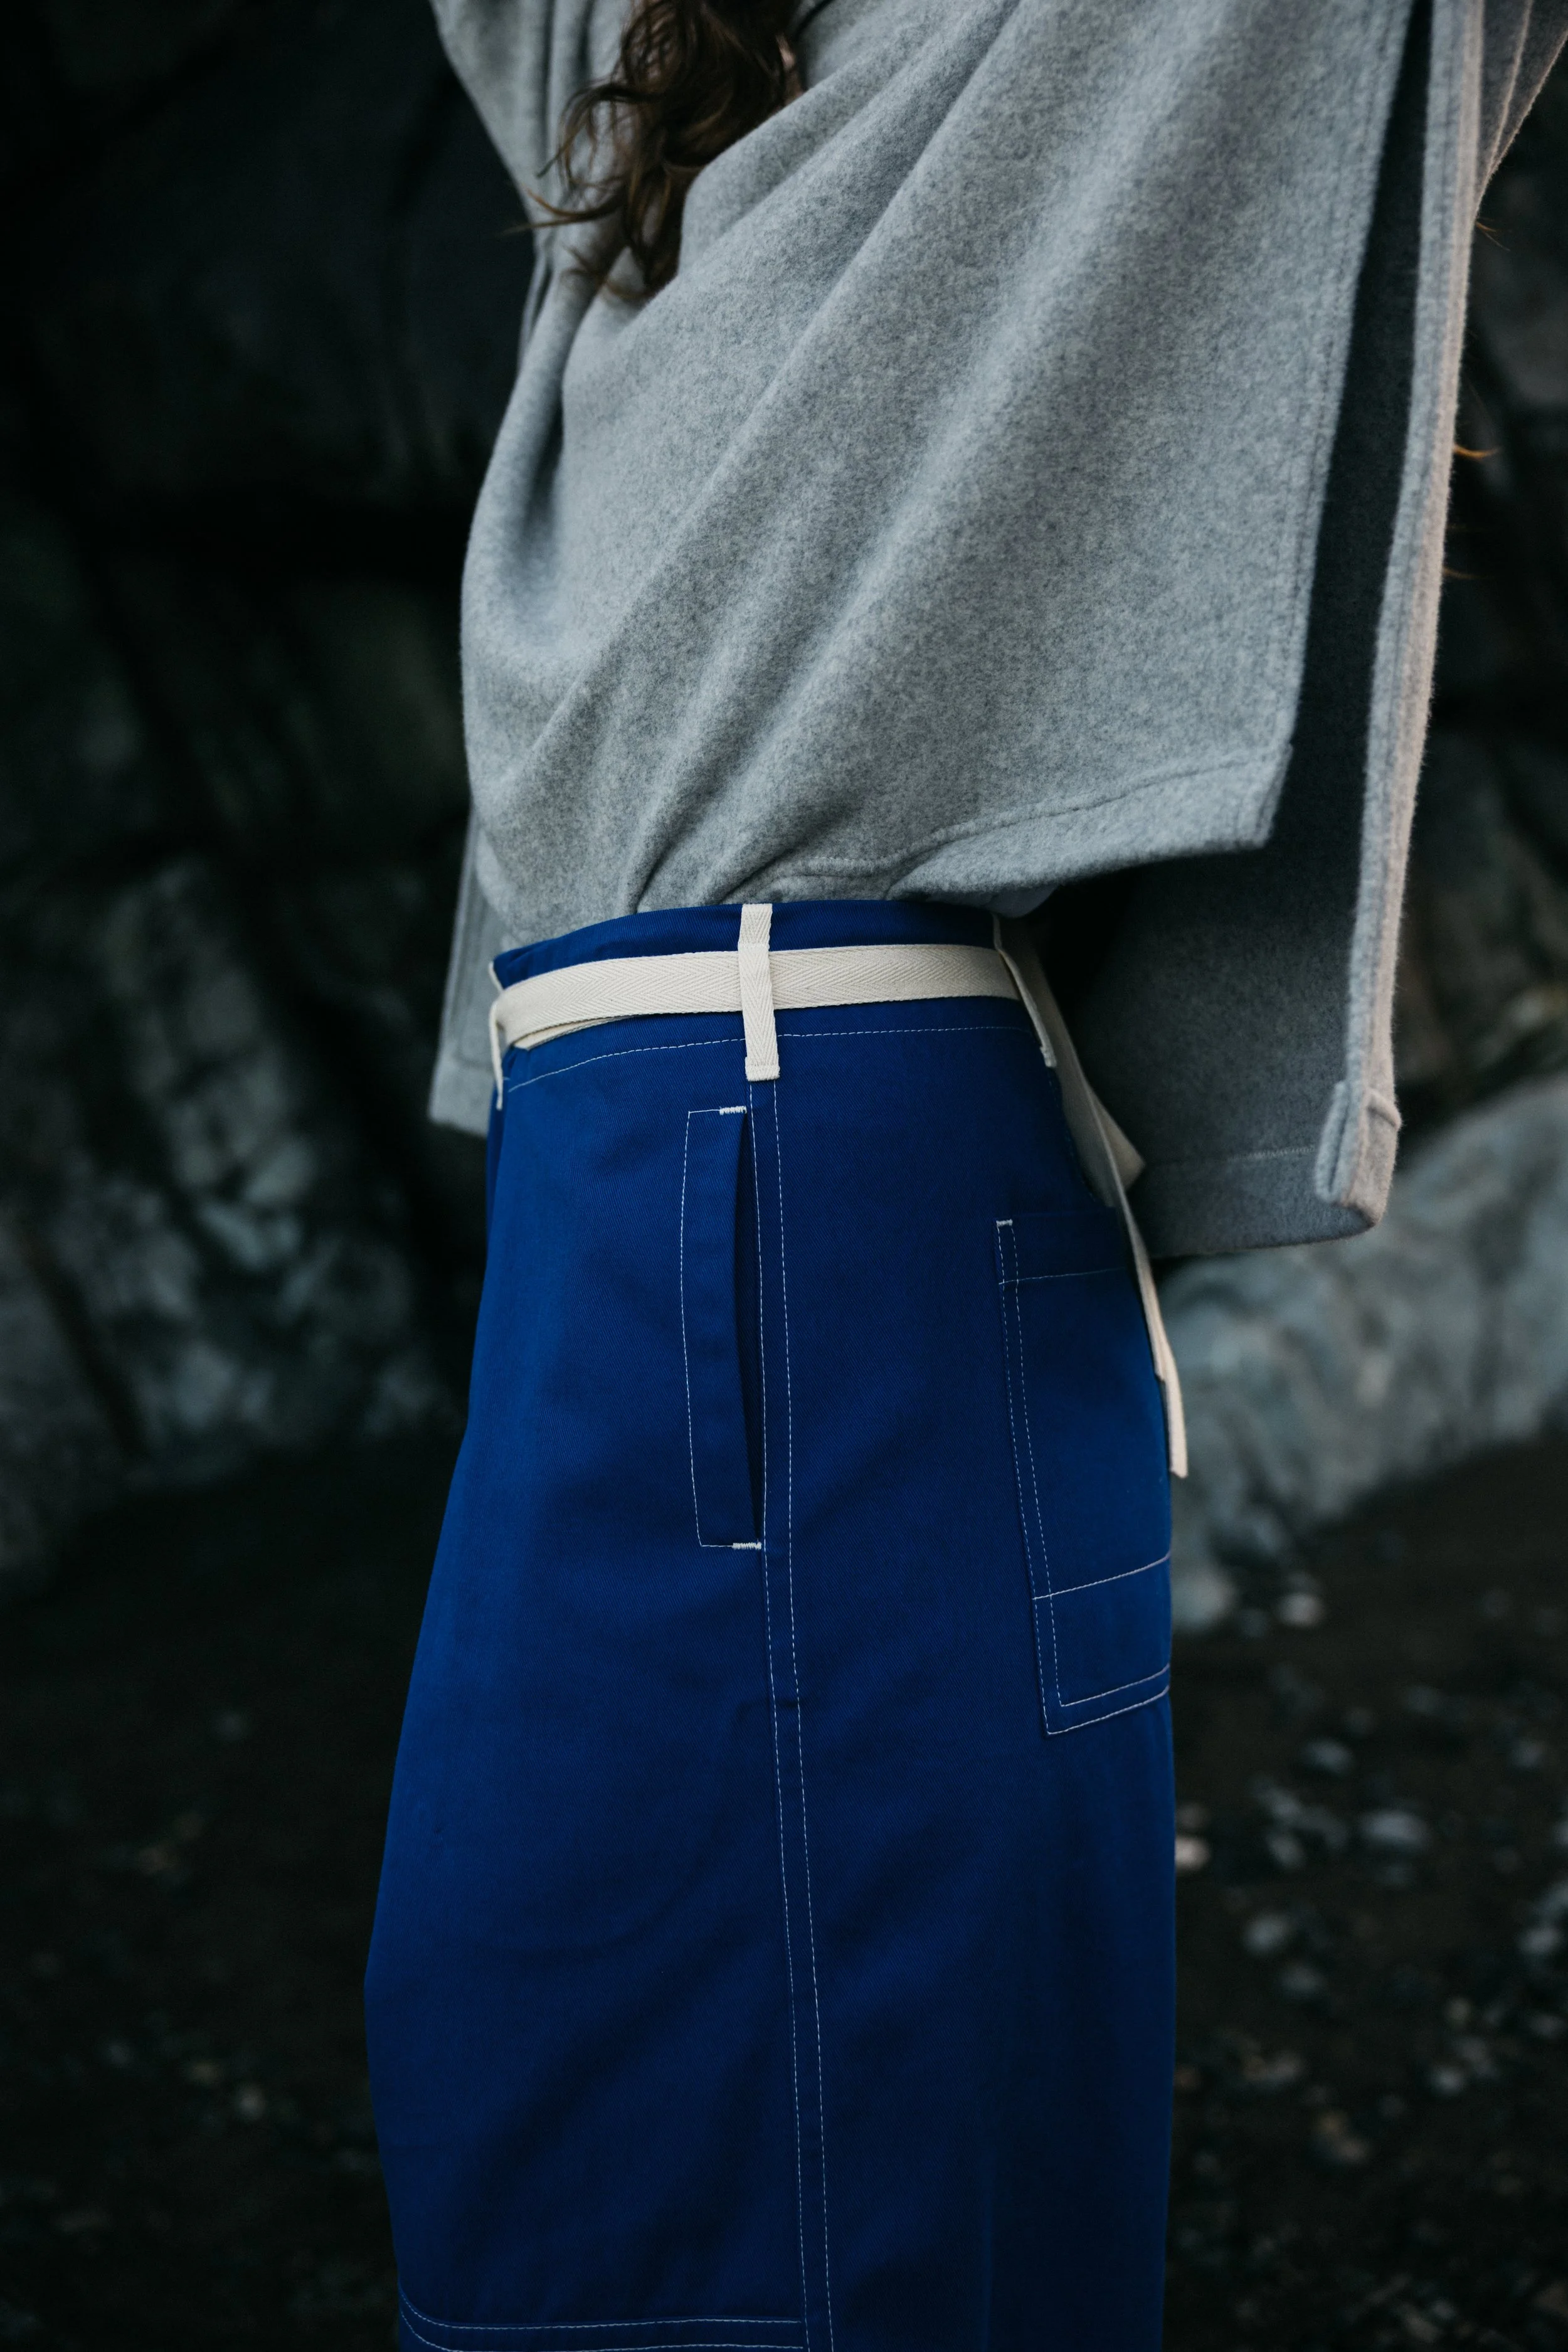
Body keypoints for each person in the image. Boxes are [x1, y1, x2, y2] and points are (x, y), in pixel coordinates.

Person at [364, 6, 1567, 2349]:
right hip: (632, 1218)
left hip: (822, 1189)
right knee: (566, 2165)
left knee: (805, 2218)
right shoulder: (648, 80)